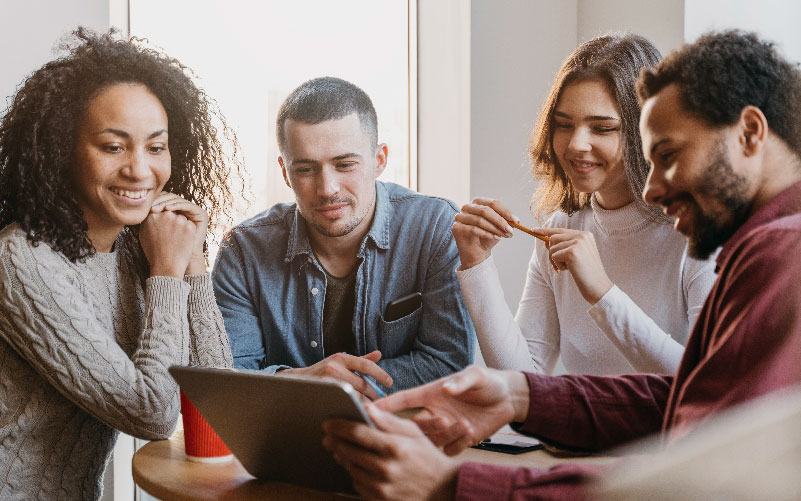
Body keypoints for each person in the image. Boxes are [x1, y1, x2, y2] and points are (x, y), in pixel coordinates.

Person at [321, 30, 801, 499]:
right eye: (564, 124)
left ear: (751, 133)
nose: (654, 188)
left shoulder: (777, 251)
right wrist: (519, 394)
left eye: (669, 155)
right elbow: (689, 402)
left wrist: (455, 485)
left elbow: (701, 470)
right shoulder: (753, 242)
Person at [0, 28, 242, 499]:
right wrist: (168, 273)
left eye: (155, 147)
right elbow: (151, 414)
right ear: (62, 150)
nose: (139, 170)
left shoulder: (139, 247)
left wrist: (191, 262)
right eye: (113, 146)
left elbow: (218, 401)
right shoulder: (21, 258)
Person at [452, 34, 717, 375]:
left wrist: (602, 292)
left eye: (602, 128)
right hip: (584, 429)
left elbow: (704, 385)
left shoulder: (699, 236)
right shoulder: (559, 229)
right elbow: (522, 379)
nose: (576, 144)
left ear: (647, 133)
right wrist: (477, 265)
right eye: (564, 125)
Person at [212, 77, 474, 397]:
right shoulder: (243, 250)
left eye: (345, 164)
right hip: (281, 440)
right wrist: (309, 380)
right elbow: (230, 377)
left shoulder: (435, 227)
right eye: (306, 169)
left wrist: (331, 383)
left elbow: (449, 365)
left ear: (380, 160)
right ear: (284, 171)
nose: (327, 189)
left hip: (408, 436)